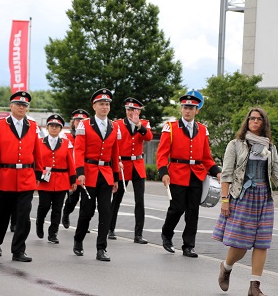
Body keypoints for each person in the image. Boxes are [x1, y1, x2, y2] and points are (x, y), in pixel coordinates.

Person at [213, 108, 277, 296]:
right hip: (242, 197)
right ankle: (226, 267)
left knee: (262, 243)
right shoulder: (235, 144)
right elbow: (226, 174)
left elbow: (276, 174)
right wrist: (225, 200)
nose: (255, 121)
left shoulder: (271, 147)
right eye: (252, 118)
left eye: (259, 119)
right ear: (247, 121)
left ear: (264, 123)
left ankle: (254, 286)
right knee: (240, 244)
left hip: (264, 198)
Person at [156, 92, 221, 258]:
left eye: (191, 108)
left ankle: (188, 245)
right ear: (181, 108)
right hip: (177, 173)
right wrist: (163, 172)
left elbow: (206, 157)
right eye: (185, 107)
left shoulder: (203, 129)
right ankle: (167, 233)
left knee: (193, 212)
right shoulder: (170, 128)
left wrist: (217, 172)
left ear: (196, 110)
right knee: (177, 208)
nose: (188, 111)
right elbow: (162, 154)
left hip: (197, 175)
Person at [0, 91, 43, 262]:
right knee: (1, 215)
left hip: (26, 176)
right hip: (5, 176)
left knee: (24, 216)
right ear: (11, 106)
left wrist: (39, 172)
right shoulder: (0, 125)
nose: (21, 107)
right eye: (18, 104)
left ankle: (18, 250)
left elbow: (37, 150)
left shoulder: (33, 125)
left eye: (24, 105)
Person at [73, 88, 120, 262]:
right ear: (94, 106)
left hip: (106, 174)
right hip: (89, 172)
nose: (105, 107)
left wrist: (116, 177)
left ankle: (101, 248)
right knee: (87, 211)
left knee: (105, 212)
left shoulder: (114, 126)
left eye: (107, 104)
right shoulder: (84, 124)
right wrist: (80, 173)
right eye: (101, 104)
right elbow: (78, 150)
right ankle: (78, 239)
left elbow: (115, 153)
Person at [109, 97, 152, 243]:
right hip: (123, 164)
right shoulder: (117, 124)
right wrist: (116, 162)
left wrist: (138, 124)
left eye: (133, 110)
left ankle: (138, 234)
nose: (130, 112)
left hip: (138, 165)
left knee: (139, 200)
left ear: (139, 111)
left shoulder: (144, 124)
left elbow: (149, 137)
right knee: (117, 198)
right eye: (128, 110)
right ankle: (110, 229)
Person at [36, 114, 76, 244]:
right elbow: (35, 161)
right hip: (44, 180)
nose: (54, 128)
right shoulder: (39, 142)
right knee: (44, 206)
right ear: (47, 128)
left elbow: (70, 162)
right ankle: (39, 222)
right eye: (51, 126)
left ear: (61, 129)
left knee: (57, 208)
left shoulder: (66, 143)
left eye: (57, 126)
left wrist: (73, 180)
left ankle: (53, 233)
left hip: (61, 180)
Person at [62, 109, 90, 229]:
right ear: (73, 123)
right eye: (77, 120)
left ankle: (82, 225)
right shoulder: (67, 136)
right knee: (73, 200)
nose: (79, 122)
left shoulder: (88, 136)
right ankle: (66, 213)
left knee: (86, 202)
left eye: (82, 120)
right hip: (72, 173)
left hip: (85, 172)